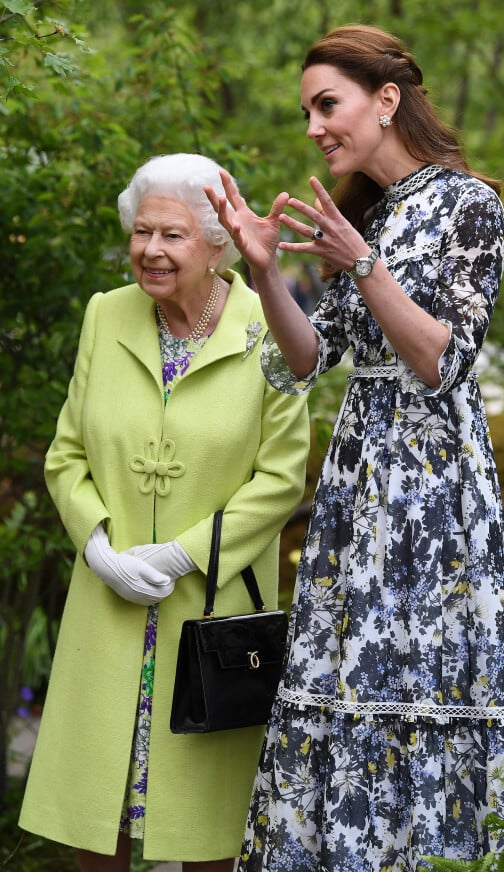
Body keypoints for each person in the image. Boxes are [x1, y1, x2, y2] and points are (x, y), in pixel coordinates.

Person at [205, 24, 504, 872]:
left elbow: (443, 359)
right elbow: (307, 361)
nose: (315, 126)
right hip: (361, 481)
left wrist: (363, 265)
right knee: (347, 679)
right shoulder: (372, 216)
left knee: (424, 682)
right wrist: (263, 272)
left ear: (386, 99)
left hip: (434, 489)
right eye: (308, 111)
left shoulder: (467, 205)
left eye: (329, 104)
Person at [18, 153, 310, 871]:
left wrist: (184, 553)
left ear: (217, 242)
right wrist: (98, 548)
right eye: (141, 231)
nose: (150, 250)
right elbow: (66, 455)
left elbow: (281, 478)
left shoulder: (269, 327)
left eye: (172, 236)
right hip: (110, 608)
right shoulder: (104, 314)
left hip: (208, 615)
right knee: (99, 822)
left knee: (208, 832)